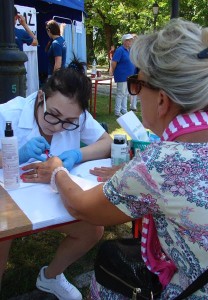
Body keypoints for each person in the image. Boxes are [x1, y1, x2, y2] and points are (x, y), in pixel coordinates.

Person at [22, 19, 208, 299]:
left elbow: (84, 208)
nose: (137, 95)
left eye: (136, 85)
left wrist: (57, 170)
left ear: (163, 101)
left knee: (108, 279)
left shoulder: (161, 163)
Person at [0, 59, 112, 299]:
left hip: (50, 195)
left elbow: (108, 142)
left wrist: (77, 153)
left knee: (92, 229)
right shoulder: (8, 113)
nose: (59, 127)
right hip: (9, 200)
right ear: (41, 97)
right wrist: (12, 155)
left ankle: (51, 277)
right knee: (1, 236)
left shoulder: (76, 116)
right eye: (54, 115)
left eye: (69, 122)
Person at [109, 34, 135, 117]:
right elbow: (114, 62)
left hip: (129, 75)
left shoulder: (129, 50)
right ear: (124, 41)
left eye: (130, 40)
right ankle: (117, 111)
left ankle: (124, 110)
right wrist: (113, 71)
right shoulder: (120, 50)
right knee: (121, 93)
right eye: (128, 40)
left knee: (126, 93)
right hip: (122, 75)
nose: (130, 42)